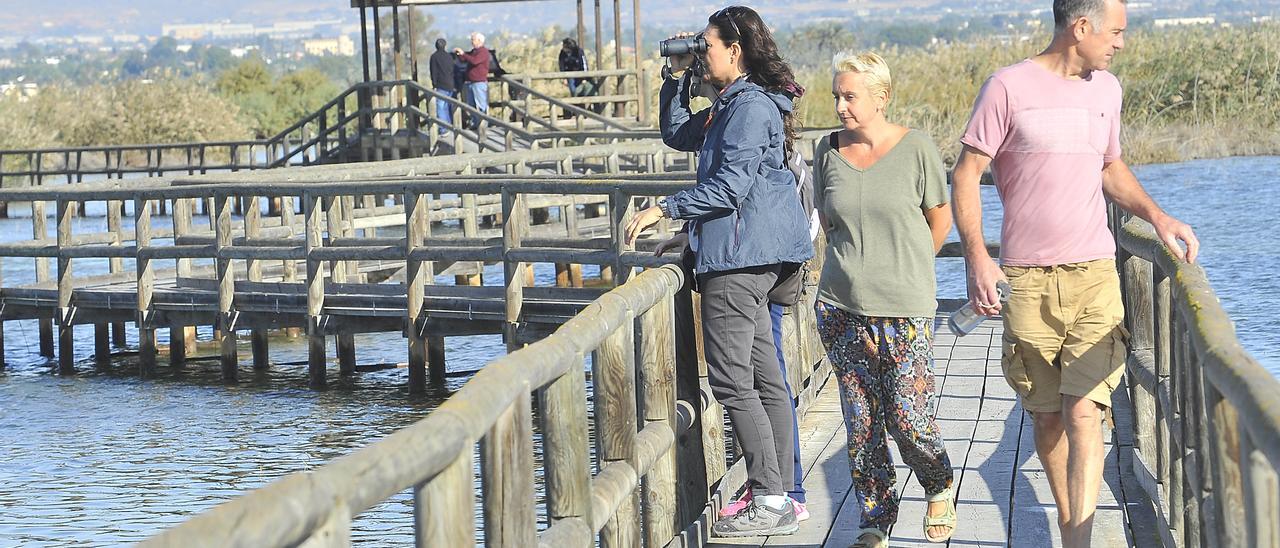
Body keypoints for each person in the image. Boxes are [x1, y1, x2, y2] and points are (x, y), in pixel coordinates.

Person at [952, 1, 1199, 546]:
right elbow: (967, 172)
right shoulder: (1007, 88)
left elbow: (1109, 166)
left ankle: (1077, 539)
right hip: (1027, 279)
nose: (1121, 42)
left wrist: (1157, 216)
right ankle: (1072, 519)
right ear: (1080, 27)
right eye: (1115, 32)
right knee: (1048, 418)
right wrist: (977, 257)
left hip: (1094, 273)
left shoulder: (1107, 90)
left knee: (1085, 409)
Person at [625, 5, 813, 538]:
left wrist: (666, 209)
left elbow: (731, 186)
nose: (702, 54)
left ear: (736, 50)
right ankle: (779, 493)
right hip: (746, 255)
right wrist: (677, 78)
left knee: (733, 381)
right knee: (763, 377)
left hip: (739, 258)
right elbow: (678, 134)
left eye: (707, 47)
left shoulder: (749, 108)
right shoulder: (734, 105)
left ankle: (771, 496)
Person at [812, 51, 957, 548]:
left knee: (908, 414)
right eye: (836, 95)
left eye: (849, 96)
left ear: (881, 97)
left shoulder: (917, 148)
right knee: (862, 421)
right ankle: (876, 518)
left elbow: (939, 220)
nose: (840, 105)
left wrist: (907, 267)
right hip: (840, 306)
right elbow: (831, 225)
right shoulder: (826, 152)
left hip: (906, 308)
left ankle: (937, 482)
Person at [454, 32, 491, 130]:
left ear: (479, 41)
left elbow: (474, 61)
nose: (472, 42)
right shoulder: (474, 51)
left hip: (479, 82)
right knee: (471, 105)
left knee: (481, 105)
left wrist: (464, 54)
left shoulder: (483, 52)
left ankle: (484, 124)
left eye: (473, 40)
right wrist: (460, 55)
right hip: (471, 82)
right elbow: (466, 59)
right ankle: (475, 122)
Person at [428, 38, 457, 135]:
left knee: (440, 107)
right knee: (448, 106)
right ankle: (450, 126)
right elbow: (453, 70)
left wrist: (434, 84)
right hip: (450, 84)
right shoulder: (449, 56)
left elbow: (434, 72)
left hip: (441, 85)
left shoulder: (434, 57)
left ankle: (443, 129)